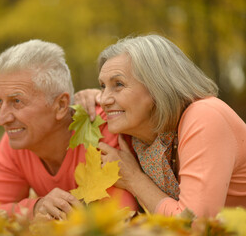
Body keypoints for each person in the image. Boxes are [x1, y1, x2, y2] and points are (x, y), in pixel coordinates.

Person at [75, 34, 246, 217]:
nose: (104, 99)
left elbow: (195, 224)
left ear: (158, 86)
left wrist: (134, 179)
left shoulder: (205, 117)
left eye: (118, 84)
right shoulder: (140, 136)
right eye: (102, 86)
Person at [0, 39, 138, 220]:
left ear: (61, 105)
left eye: (17, 102)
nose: (3, 119)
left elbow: (122, 217)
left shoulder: (104, 130)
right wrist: (35, 208)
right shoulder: (16, 138)